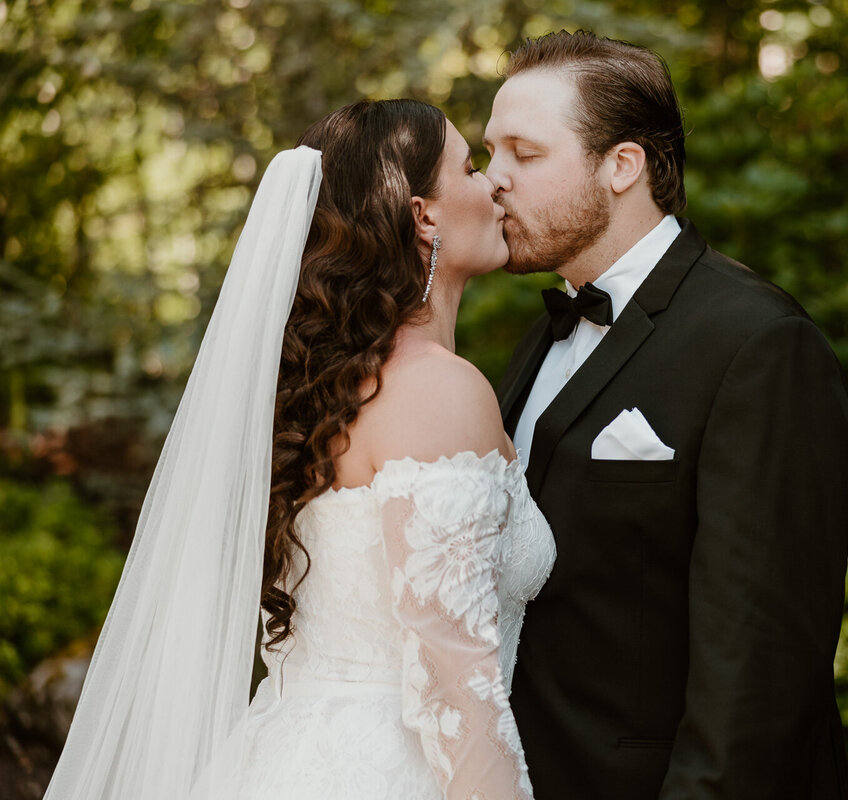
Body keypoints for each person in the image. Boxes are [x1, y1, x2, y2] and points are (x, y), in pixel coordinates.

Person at [43, 99, 554, 800]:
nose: (494, 184)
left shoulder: (323, 395)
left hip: (282, 755)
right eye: (469, 167)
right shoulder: (439, 392)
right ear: (423, 215)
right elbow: (454, 685)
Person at [485, 31, 848, 799]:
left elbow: (761, 663)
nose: (493, 181)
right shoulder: (541, 338)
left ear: (623, 165)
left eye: (524, 154)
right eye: (491, 154)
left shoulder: (757, 343)